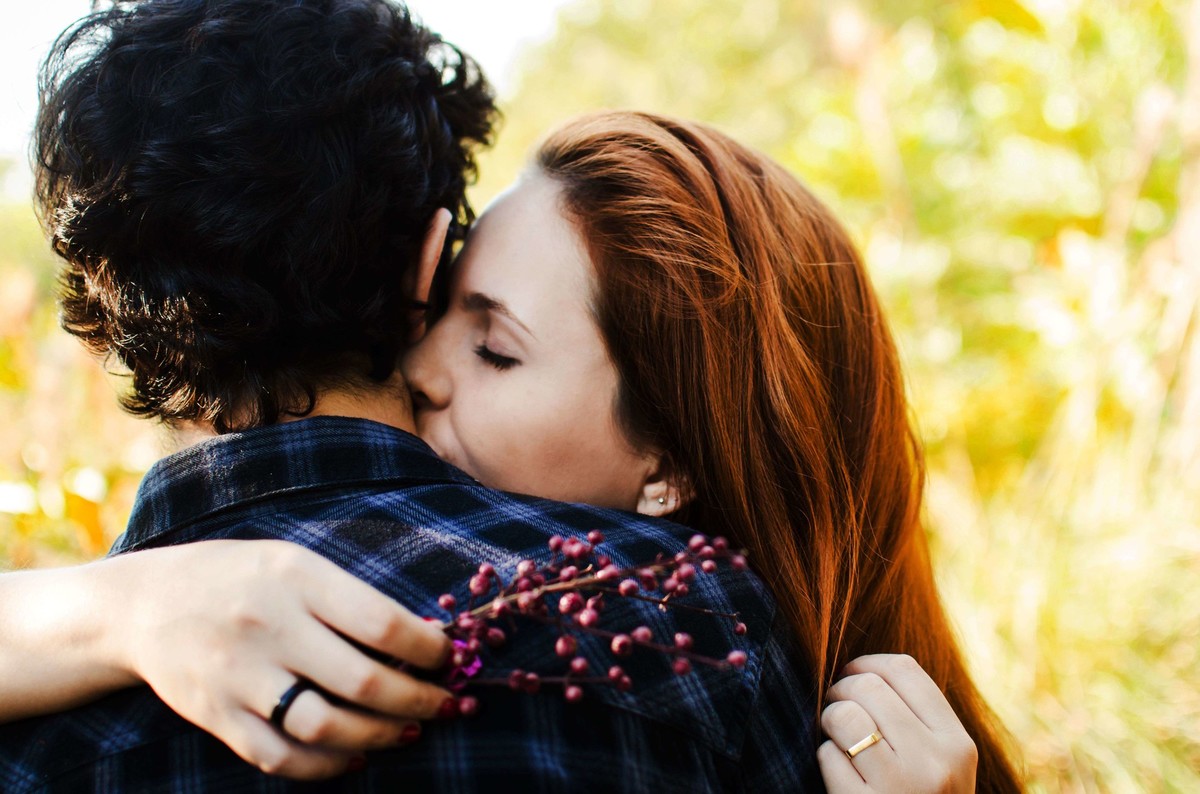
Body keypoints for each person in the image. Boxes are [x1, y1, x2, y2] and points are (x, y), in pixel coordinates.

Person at [0, 2, 1001, 792]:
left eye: (499, 347)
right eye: (461, 318)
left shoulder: (47, 715)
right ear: (427, 259)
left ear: (91, 306)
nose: (435, 370)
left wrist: (103, 611)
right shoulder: (682, 623)